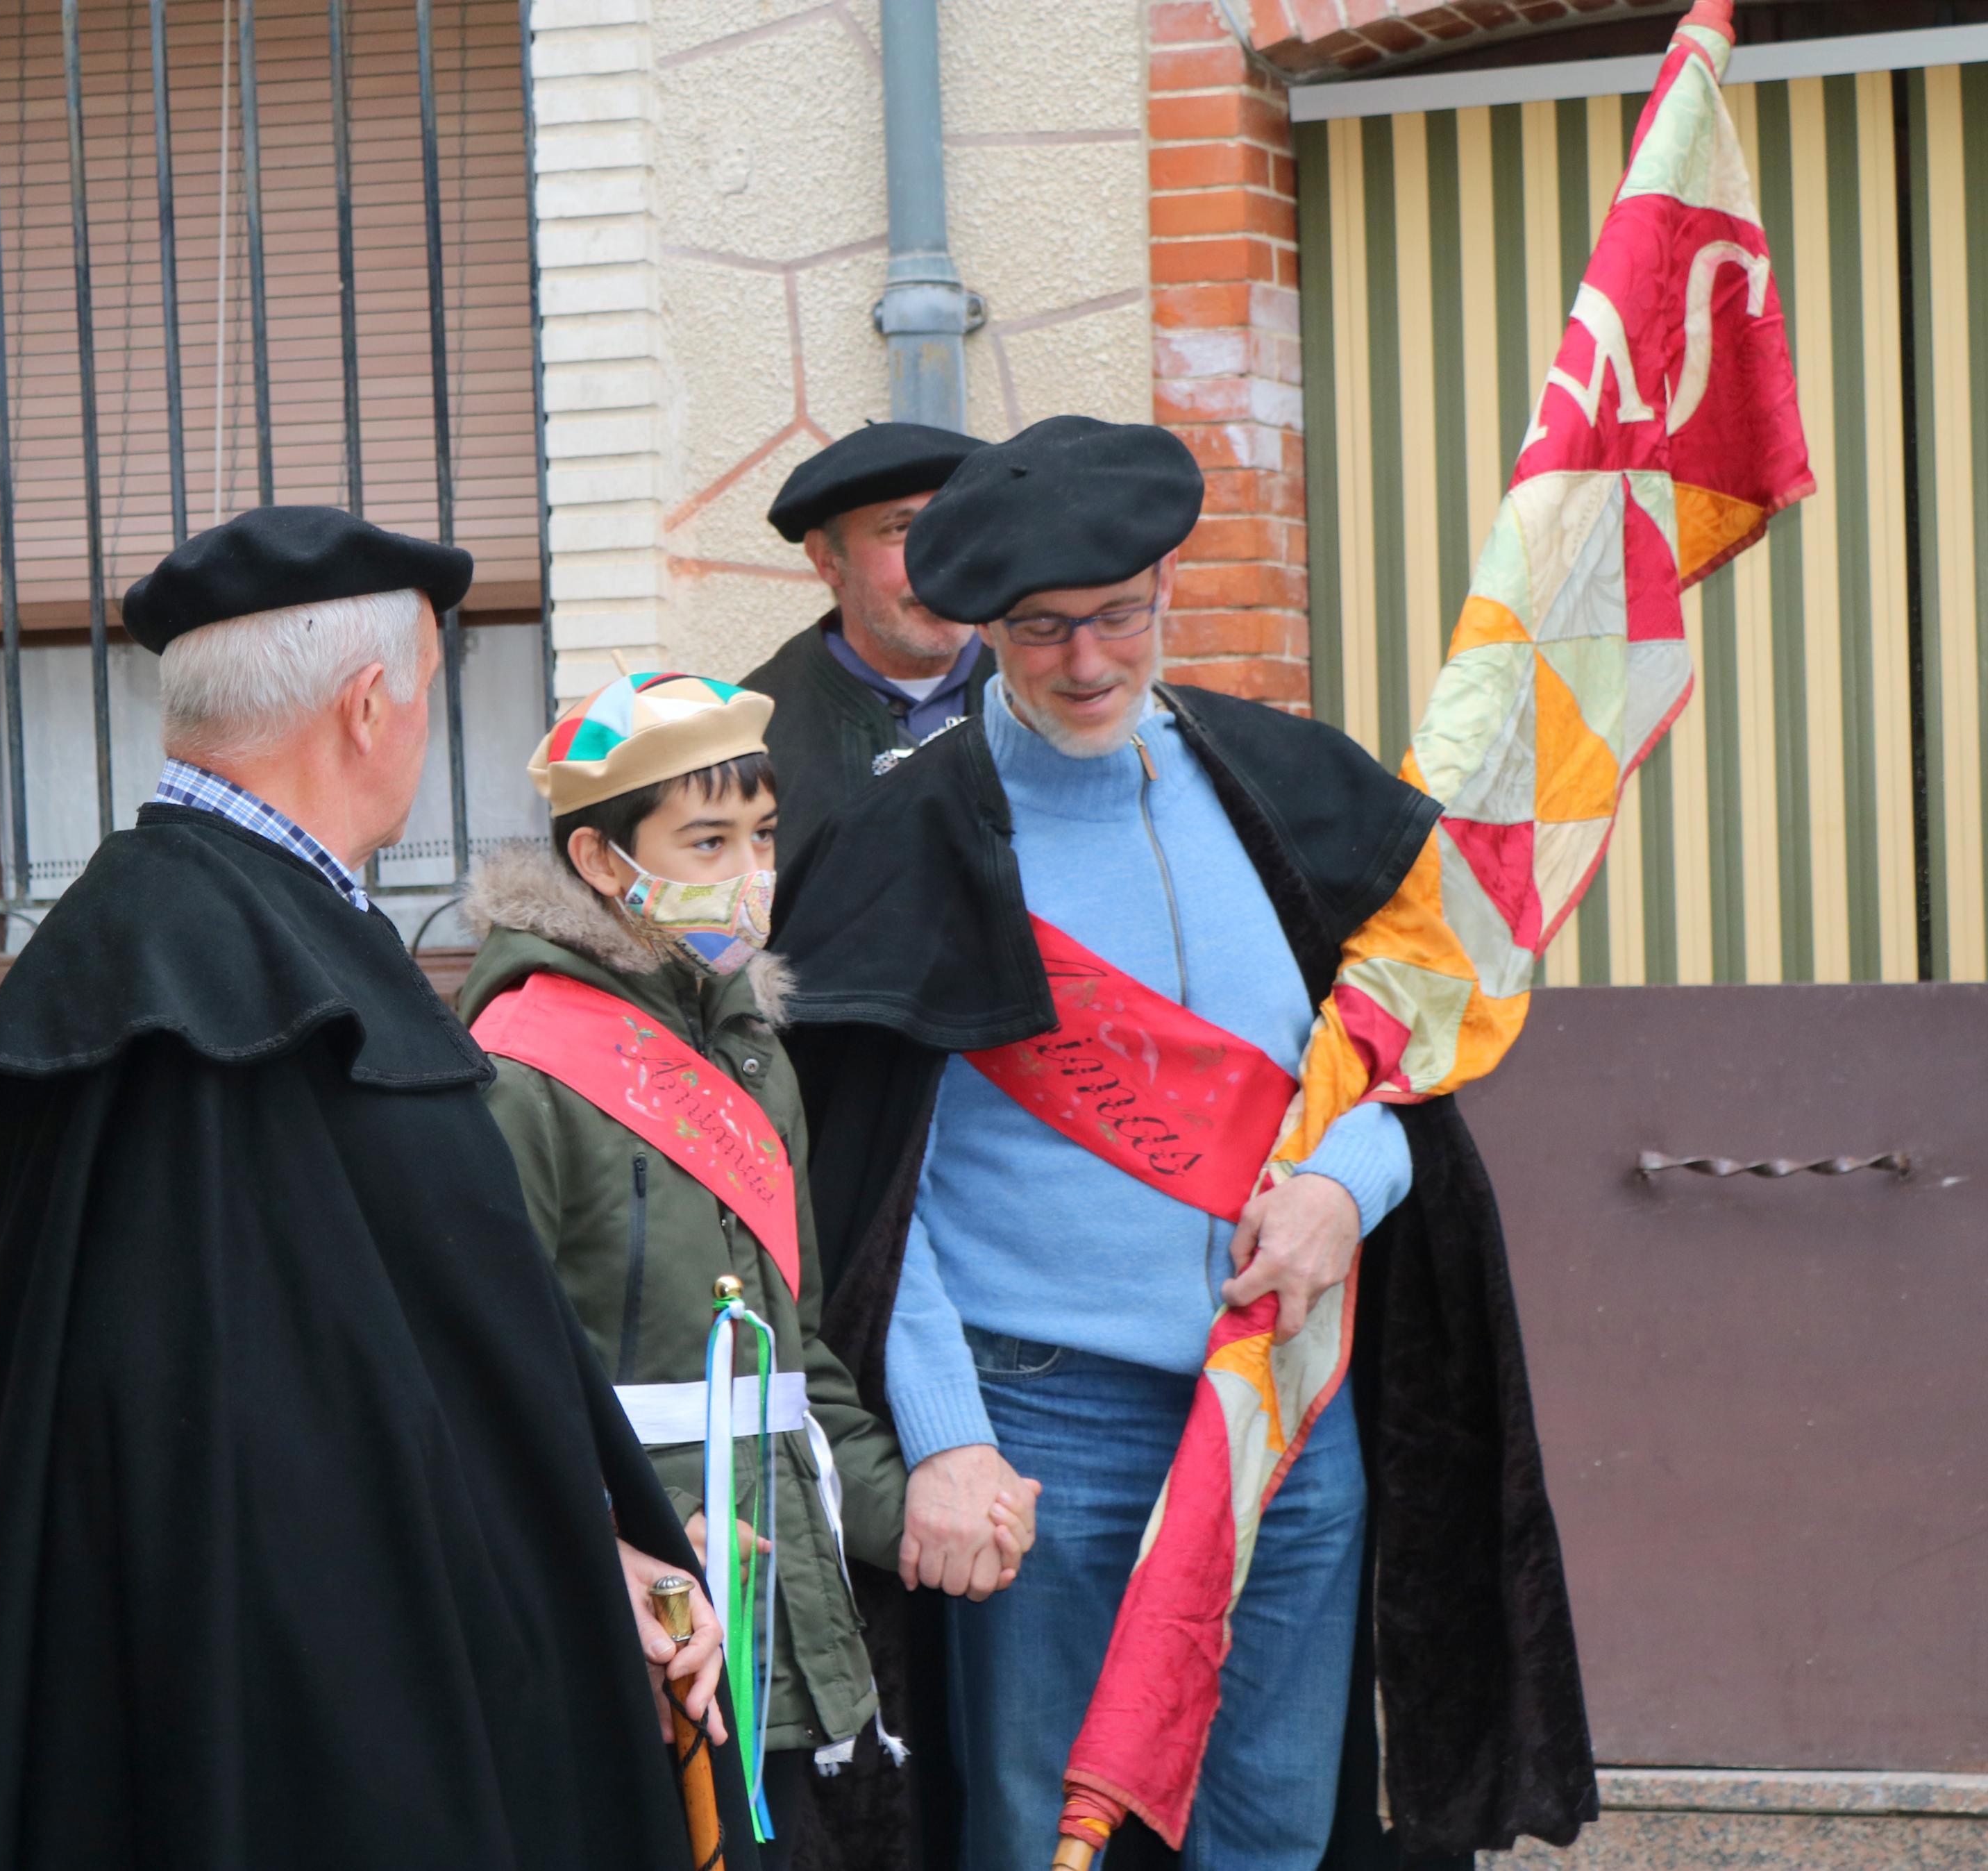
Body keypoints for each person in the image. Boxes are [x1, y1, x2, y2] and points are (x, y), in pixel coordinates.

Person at [0, 507, 757, 1871]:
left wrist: (593, 1537)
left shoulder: (200, 942)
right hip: (318, 1720)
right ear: (365, 709)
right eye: (425, 690)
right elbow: (307, 1445)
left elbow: (431, 1342)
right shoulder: (229, 982)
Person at [770, 419, 1597, 1870]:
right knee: (1039, 1827)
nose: (1084, 663)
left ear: (1165, 588)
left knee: (1276, 1820)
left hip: (1283, 1397)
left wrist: (1344, 1188)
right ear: (980, 626)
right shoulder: (898, 840)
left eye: (1116, 618)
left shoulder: (1288, 781)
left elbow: (1404, 1066)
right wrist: (949, 1434)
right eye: (1036, 632)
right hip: (1038, 1425)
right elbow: (856, 1195)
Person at [454, 672, 1034, 1870]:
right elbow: (486, 1381)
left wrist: (911, 1504)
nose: (749, 870)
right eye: (706, 840)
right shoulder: (518, 1067)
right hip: (642, 1612)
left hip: (790, 1603)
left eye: (761, 836)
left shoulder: (752, 1051)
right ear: (604, 861)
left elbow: (797, 1353)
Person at [739, 422, 991, 862]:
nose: (941, 561)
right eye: (901, 528)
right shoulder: (752, 731)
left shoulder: (1048, 687)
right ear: (828, 561)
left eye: (957, 523)